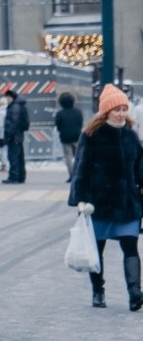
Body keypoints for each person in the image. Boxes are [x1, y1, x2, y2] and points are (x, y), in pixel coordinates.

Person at [67, 83, 143, 311]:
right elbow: (81, 169)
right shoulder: (91, 136)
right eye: (116, 109)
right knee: (96, 251)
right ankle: (98, 291)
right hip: (98, 204)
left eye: (124, 109)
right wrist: (81, 199)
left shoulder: (131, 136)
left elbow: (140, 168)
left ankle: (135, 293)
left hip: (128, 203)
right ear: (106, 111)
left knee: (131, 247)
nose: (121, 114)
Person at [2, 89, 29, 184]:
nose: (7, 99)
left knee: (13, 156)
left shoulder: (14, 107)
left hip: (14, 136)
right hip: (18, 135)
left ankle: (14, 177)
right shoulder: (19, 105)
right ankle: (20, 176)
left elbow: (13, 123)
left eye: (8, 98)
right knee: (19, 156)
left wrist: (8, 135)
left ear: (12, 97)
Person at [55, 92, 84, 182]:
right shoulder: (78, 112)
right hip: (77, 136)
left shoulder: (60, 114)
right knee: (78, 156)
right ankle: (79, 174)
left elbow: (58, 125)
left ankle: (72, 175)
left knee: (68, 157)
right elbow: (80, 123)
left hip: (65, 137)